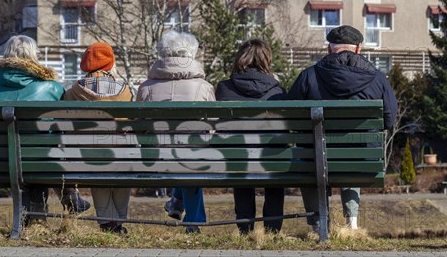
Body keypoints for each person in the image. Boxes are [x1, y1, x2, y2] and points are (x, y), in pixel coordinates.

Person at [286, 25, 397, 231]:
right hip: (362, 159)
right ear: (358, 50)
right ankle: (352, 223)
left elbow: (290, 118)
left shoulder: (308, 76)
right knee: (352, 153)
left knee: (310, 156)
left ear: (330, 49)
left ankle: (319, 225)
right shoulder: (378, 79)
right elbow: (389, 121)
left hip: (315, 159)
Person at [0, 35, 91, 216]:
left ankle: (37, 217)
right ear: (34, 55)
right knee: (47, 153)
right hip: (42, 159)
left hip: (1, 159)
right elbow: (64, 127)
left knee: (38, 155)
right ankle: (67, 198)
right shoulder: (52, 88)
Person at [137, 30, 215, 233]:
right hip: (193, 158)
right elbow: (213, 126)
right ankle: (193, 223)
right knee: (191, 157)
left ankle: (177, 202)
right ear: (192, 54)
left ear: (163, 54)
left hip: (155, 158)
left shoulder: (146, 87)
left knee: (182, 156)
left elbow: (138, 125)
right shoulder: (204, 87)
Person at [215, 39, 286, 235]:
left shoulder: (224, 88)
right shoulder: (277, 91)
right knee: (275, 168)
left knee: (241, 161)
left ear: (240, 59)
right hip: (271, 157)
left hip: (238, 157)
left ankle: (245, 229)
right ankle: (272, 231)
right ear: (267, 60)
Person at [64, 42, 133, 232]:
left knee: (95, 157)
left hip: (87, 158)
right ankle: (117, 221)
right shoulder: (125, 91)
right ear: (110, 63)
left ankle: (107, 221)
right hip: (123, 156)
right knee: (123, 158)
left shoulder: (72, 93)